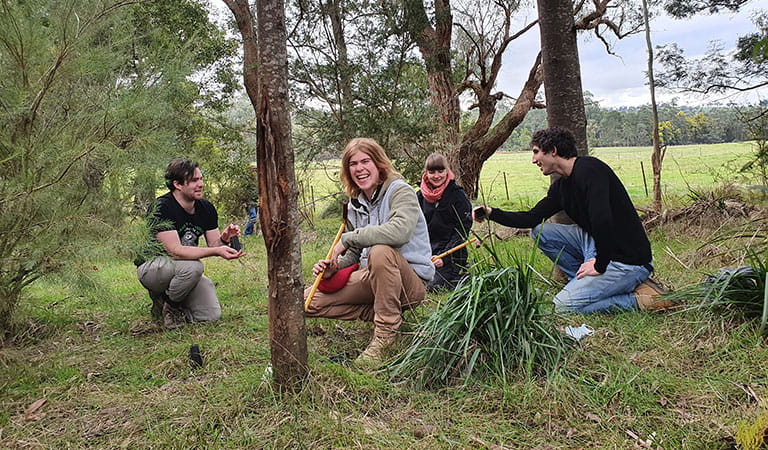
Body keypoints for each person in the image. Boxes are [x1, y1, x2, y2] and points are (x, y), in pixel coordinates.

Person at [473, 127, 670, 314]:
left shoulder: (591, 170)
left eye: (536, 152)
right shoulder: (562, 188)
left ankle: (641, 299)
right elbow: (531, 218)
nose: (533, 160)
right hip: (597, 246)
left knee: (561, 307)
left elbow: (602, 219)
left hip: (628, 261)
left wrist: (600, 264)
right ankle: (582, 284)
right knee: (540, 231)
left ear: (553, 151)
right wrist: (491, 212)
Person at [305, 138, 435, 364]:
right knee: (305, 302)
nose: (359, 169)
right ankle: (382, 315)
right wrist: (334, 267)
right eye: (353, 164)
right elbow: (354, 254)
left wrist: (349, 237)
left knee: (380, 251)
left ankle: (385, 336)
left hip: (409, 283)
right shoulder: (355, 203)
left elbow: (400, 233)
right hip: (373, 277)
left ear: (379, 164)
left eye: (366, 161)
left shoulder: (400, 191)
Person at [136, 158, 243, 329]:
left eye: (201, 179)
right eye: (194, 180)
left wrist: (225, 239)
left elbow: (214, 243)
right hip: (154, 267)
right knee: (193, 267)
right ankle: (170, 306)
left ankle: (167, 304)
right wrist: (216, 251)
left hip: (183, 270)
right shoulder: (162, 207)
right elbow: (175, 251)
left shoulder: (206, 208)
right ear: (177, 184)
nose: (200, 184)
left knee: (210, 315)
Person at [417, 153, 473, 291]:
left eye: (440, 171)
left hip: (450, 255)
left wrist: (444, 258)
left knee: (433, 286)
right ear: (426, 173)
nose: (436, 176)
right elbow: (414, 229)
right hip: (425, 255)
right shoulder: (419, 197)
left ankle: (465, 277)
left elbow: (462, 230)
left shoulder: (458, 195)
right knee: (411, 282)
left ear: (447, 171)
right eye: (432, 172)